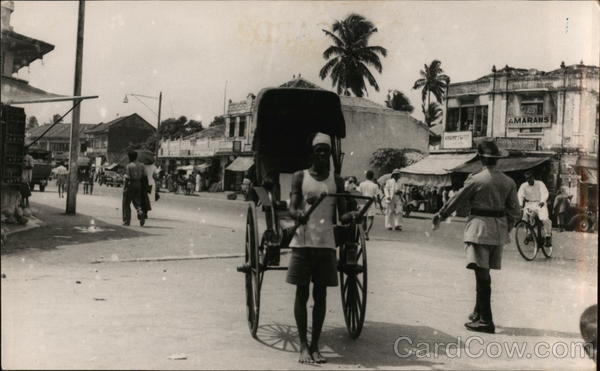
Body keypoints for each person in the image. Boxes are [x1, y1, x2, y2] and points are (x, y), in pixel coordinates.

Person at [432, 140, 521, 334]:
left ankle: (486, 321)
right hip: (498, 233)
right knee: (484, 273)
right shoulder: (508, 181)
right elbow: (515, 211)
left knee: (482, 277)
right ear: (497, 160)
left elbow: (457, 200)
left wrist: (441, 215)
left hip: (478, 231)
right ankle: (478, 312)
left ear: (480, 158)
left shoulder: (476, 179)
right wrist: (507, 227)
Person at [287, 132, 355, 364]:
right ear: (312, 154)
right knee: (302, 292)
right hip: (303, 243)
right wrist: (298, 214)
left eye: (327, 151)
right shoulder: (300, 177)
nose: (324, 155)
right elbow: (293, 208)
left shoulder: (337, 181)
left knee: (321, 295)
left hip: (326, 245)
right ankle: (303, 346)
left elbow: (342, 213)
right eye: (319, 151)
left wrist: (352, 216)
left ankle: (315, 345)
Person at [518, 170, 552, 247]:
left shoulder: (540, 184)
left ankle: (548, 236)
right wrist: (520, 205)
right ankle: (529, 234)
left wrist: (543, 201)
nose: (528, 180)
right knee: (525, 219)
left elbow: (544, 192)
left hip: (539, 204)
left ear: (533, 177)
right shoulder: (523, 186)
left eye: (530, 178)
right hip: (529, 204)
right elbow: (520, 195)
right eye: (527, 178)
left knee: (545, 219)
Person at [122, 151, 146, 226]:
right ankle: (140, 212)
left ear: (131, 157)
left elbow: (128, 177)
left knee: (126, 203)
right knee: (137, 201)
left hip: (130, 184)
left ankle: (127, 221)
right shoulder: (142, 165)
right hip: (138, 184)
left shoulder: (129, 166)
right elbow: (144, 176)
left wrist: (125, 187)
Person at [358, 170, 380, 240]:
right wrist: (380, 205)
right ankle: (367, 231)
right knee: (371, 218)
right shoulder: (375, 185)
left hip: (363, 202)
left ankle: (364, 233)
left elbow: (359, 194)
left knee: (363, 218)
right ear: (372, 177)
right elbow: (378, 195)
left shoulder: (361, 184)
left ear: (366, 176)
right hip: (371, 202)